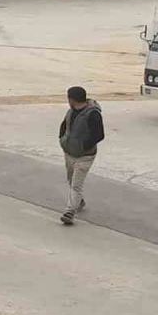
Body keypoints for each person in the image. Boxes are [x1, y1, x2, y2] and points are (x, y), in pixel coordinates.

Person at [58, 86, 104, 226]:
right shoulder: (71, 112)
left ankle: (69, 212)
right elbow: (64, 126)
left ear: (72, 99)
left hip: (85, 156)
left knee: (76, 185)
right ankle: (79, 201)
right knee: (71, 180)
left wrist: (84, 146)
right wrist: (62, 140)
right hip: (70, 152)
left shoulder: (93, 114)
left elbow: (99, 135)